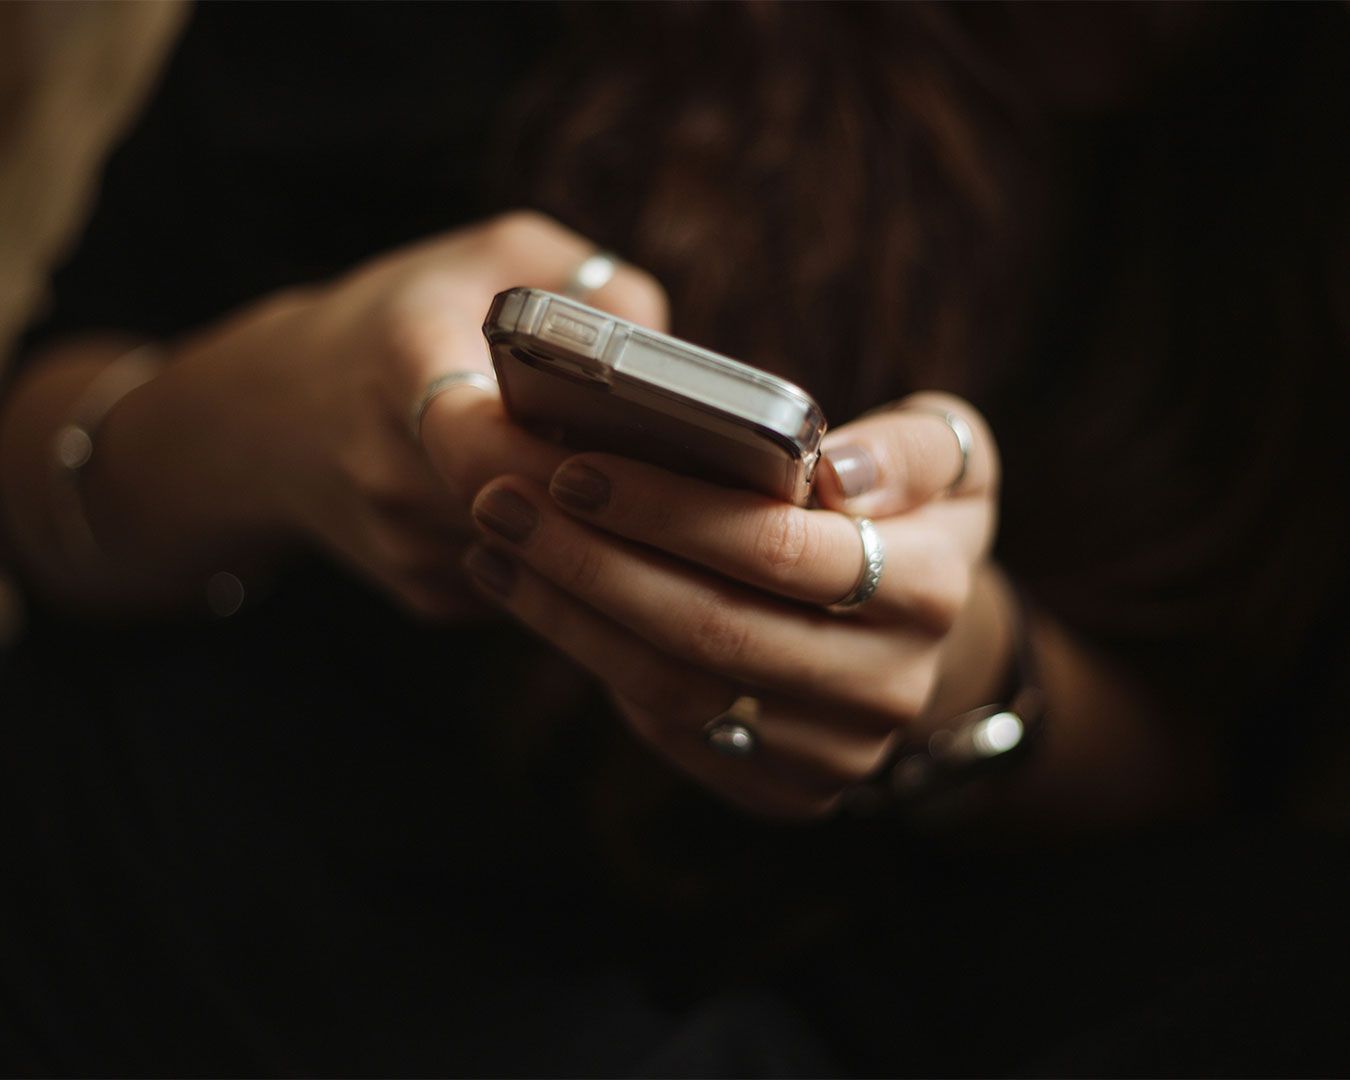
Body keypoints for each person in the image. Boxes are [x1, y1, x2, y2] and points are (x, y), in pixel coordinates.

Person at [0, 4, 1346, 1075]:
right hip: (179, 903)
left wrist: (969, 679)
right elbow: (38, 466)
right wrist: (284, 408)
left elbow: (1238, 810)